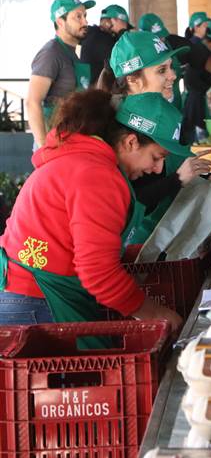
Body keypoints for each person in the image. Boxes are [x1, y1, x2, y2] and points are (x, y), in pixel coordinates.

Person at [0, 89, 187, 333]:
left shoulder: (80, 160)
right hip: (36, 303)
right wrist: (158, 315)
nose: (156, 168)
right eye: (156, 157)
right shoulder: (97, 175)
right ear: (131, 142)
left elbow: (78, 244)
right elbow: (99, 274)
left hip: (23, 295)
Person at [97, 30, 211, 244]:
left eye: (171, 66)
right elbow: (126, 202)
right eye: (162, 70)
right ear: (133, 80)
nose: (173, 75)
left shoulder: (160, 113)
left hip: (167, 237)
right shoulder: (114, 129)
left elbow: (171, 163)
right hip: (137, 246)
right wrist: (177, 180)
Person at [27, 0, 95, 149]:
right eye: (78, 17)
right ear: (60, 21)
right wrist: (45, 147)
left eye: (85, 16)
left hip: (71, 139)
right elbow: (32, 102)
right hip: (53, 143)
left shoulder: (72, 54)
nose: (85, 22)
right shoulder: (51, 53)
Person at [182, 19, 211, 143]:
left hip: (194, 100)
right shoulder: (203, 52)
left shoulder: (200, 48)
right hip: (198, 104)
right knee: (199, 141)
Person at [138, 12, 197, 111]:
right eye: (156, 38)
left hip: (175, 107)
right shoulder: (141, 56)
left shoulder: (168, 45)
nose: (162, 39)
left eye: (162, 36)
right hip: (157, 110)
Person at [82, 4, 131, 85]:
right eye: (125, 26)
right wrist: (121, 31)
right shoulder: (102, 39)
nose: (127, 31)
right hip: (98, 94)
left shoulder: (93, 35)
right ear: (113, 21)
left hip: (93, 92)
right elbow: (128, 57)